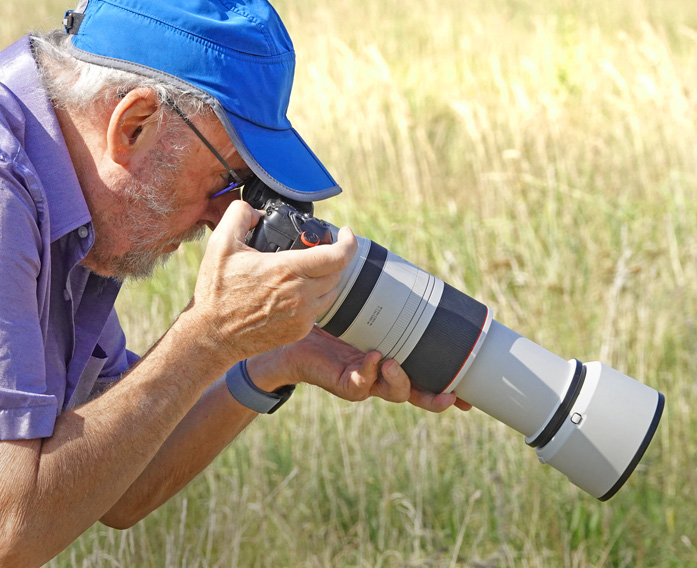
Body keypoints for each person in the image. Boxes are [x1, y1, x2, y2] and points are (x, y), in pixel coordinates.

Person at [0, 1, 467, 564]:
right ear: (135, 124)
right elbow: (11, 530)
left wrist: (274, 358)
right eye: (229, 181)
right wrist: (208, 335)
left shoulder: (74, 198)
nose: (223, 219)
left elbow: (118, 484)